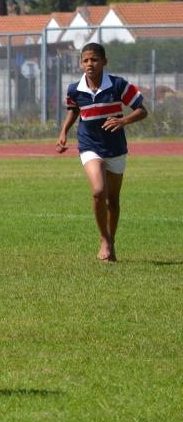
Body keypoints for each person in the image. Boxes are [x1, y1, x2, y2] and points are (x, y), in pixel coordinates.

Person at [56, 42, 147, 262]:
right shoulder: (74, 89)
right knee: (98, 191)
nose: (90, 64)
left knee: (113, 201)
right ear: (80, 63)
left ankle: (111, 241)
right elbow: (74, 110)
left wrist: (123, 120)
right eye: (85, 60)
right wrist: (64, 131)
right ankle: (104, 240)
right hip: (89, 145)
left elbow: (142, 111)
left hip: (115, 148)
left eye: (94, 59)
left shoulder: (118, 85)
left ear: (104, 61)